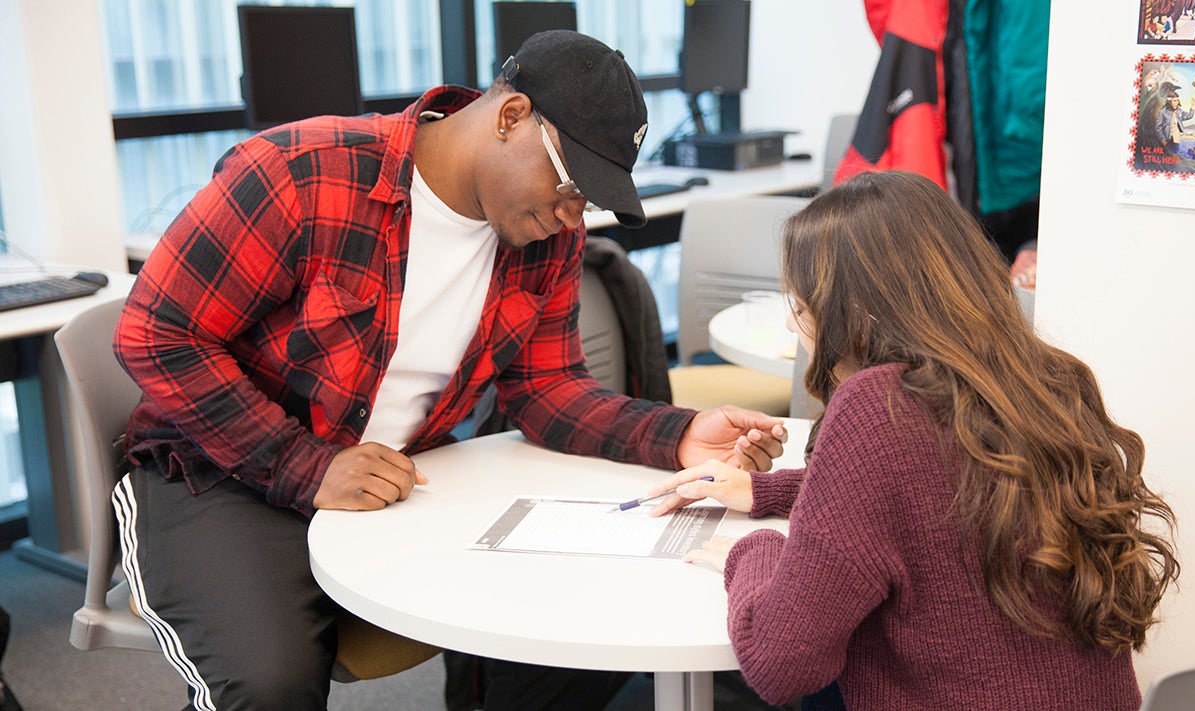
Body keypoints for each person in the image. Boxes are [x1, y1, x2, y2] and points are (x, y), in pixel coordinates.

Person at [111, 30, 786, 711]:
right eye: (571, 184)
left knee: (580, 617)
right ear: (511, 116)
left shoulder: (543, 237)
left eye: (590, 200)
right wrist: (306, 466)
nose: (571, 215)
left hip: (396, 470)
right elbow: (157, 333)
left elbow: (547, 389)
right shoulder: (299, 172)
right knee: (269, 685)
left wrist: (678, 434)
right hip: (220, 473)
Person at [644, 171, 1180, 710]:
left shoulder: (877, 409)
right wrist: (772, 491)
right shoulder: (1046, 378)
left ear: (856, 314)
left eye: (802, 307)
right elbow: (941, 488)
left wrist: (754, 552)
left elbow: (780, 663)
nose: (792, 325)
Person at [1156, 88, 1195, 155]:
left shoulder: (1179, 111)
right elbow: (1158, 127)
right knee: (1166, 159)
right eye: (1174, 101)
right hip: (1166, 139)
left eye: (1177, 101)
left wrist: (1193, 106)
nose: (1176, 103)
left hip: (1176, 139)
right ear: (1169, 102)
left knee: (1175, 158)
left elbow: (1189, 116)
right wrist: (1162, 139)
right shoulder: (1163, 112)